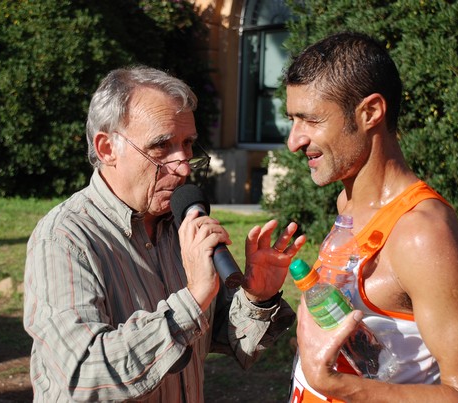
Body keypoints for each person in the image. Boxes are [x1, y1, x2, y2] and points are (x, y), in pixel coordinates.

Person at [23, 65, 305, 402]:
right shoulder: (65, 239)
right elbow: (83, 374)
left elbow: (220, 336)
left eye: (187, 145)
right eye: (161, 147)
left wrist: (257, 297)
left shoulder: (179, 225)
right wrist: (193, 297)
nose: (183, 166)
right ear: (106, 148)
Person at [284, 32, 458, 402]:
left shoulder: (422, 234)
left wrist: (337, 385)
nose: (294, 141)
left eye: (310, 120)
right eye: (292, 120)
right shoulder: (345, 203)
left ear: (370, 113)